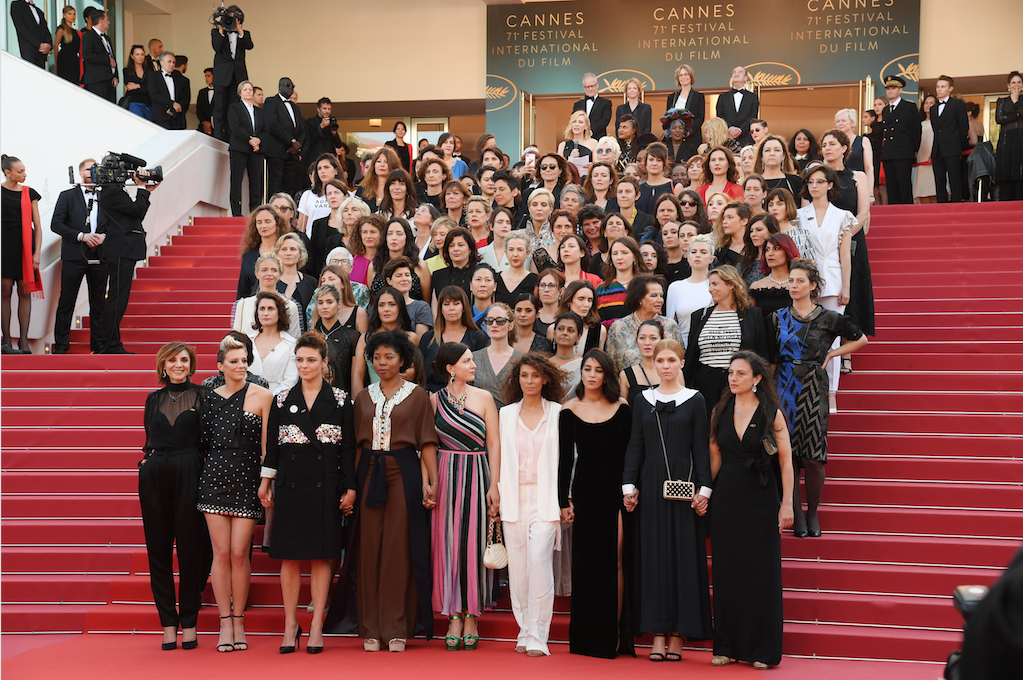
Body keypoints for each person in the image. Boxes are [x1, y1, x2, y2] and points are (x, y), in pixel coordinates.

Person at [258, 330, 356, 654]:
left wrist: (350, 486)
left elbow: (348, 449)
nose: (304, 365)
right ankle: (290, 624)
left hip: (326, 486)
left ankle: (316, 625)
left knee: (322, 556)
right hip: (291, 487)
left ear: (325, 362)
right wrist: (265, 482)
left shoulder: (341, 400)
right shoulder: (282, 399)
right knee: (289, 557)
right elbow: (272, 448)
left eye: (311, 360)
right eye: (299, 359)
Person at [623, 338, 713, 662]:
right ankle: (657, 633)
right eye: (660, 360)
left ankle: (678, 634)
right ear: (653, 363)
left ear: (682, 363)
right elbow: (635, 445)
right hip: (649, 485)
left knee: (683, 558)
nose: (665, 366)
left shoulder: (696, 399)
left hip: (684, 485)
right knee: (652, 557)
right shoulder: (641, 399)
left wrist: (704, 489)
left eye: (671, 360)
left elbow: (700, 447)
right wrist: (628, 486)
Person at [352, 330, 440, 652]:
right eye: (377, 358)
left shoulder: (418, 396)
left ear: (403, 360)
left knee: (398, 548)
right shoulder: (363, 397)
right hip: (368, 473)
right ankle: (371, 627)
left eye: (389, 357)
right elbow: (356, 446)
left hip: (404, 472)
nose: (383, 363)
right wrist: (351, 486)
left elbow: (427, 442)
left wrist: (432, 482)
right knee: (368, 548)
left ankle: (396, 626)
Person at [708, 351, 793, 669]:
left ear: (757, 378)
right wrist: (704, 493)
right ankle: (725, 646)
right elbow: (714, 458)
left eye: (740, 373)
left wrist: (787, 503)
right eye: (731, 372)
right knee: (727, 571)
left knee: (761, 573)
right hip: (726, 498)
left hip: (761, 496)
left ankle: (762, 650)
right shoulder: (719, 410)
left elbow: (786, 460)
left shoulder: (771, 412)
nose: (733, 378)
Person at [771, 259, 866, 537]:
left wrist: (832, 354)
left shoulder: (829, 317)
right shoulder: (777, 318)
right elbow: (772, 358)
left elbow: (861, 339)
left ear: (813, 285)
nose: (793, 285)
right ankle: (797, 514)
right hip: (784, 386)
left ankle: (812, 512)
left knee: (813, 457)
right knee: (789, 453)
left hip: (814, 385)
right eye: (791, 280)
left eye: (800, 281)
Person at [557, 349, 634, 658]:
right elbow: (564, 460)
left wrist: (631, 489)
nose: (591, 374)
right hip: (585, 493)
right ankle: (586, 639)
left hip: (616, 494)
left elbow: (630, 454)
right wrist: (563, 500)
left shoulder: (622, 407)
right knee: (585, 565)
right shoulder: (569, 409)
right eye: (587, 369)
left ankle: (613, 635)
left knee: (614, 560)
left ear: (606, 375)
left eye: (598, 370)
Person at [199, 334, 272, 652]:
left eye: (244, 360)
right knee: (221, 553)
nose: (241, 366)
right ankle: (224, 622)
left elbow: (268, 447)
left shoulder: (263, 395)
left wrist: (265, 482)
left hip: (248, 479)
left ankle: (239, 620)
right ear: (220, 366)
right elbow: (203, 441)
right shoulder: (208, 397)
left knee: (240, 553)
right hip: (214, 478)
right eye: (234, 361)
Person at [429, 342, 502, 651]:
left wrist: (495, 484)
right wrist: (431, 482)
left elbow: (494, 443)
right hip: (446, 474)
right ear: (450, 368)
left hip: (478, 472)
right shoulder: (434, 400)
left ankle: (472, 614)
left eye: (472, 360)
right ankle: (453, 615)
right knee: (447, 543)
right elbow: (428, 444)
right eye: (467, 361)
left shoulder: (484, 397)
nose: (473, 365)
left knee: (473, 544)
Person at [139, 342, 212, 651]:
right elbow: (150, 437)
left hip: (190, 469)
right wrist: (147, 462)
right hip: (155, 473)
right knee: (158, 550)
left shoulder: (203, 395)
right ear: (163, 365)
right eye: (172, 360)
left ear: (191, 365)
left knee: (190, 549)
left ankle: (190, 622)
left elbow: (208, 438)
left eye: (184, 359)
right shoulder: (152, 399)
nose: (178, 364)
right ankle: (168, 623)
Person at [498, 353, 566, 656]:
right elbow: (498, 455)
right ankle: (524, 630)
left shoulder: (558, 412)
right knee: (519, 570)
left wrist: (566, 498)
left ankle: (539, 635)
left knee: (539, 562)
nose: (529, 381)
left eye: (535, 376)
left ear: (545, 379)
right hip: (513, 497)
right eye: (524, 375)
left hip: (545, 497)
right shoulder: (506, 414)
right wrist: (495, 491)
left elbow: (567, 459)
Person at [684, 265, 768, 419]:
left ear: (731, 285)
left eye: (715, 284)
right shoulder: (699, 316)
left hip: (739, 384)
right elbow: (691, 355)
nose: (710, 289)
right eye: (710, 285)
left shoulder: (753, 314)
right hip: (705, 383)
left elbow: (763, 354)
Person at [819, 130, 875, 358]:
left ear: (844, 148)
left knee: (851, 290)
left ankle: (847, 351)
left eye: (832, 144)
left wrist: (844, 236)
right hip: (823, 243)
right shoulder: (817, 176)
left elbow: (862, 212)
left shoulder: (858, 176)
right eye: (824, 145)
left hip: (852, 239)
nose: (827, 148)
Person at [95, 166, 156, 354]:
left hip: (122, 250)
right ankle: (109, 344)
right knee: (117, 298)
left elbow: (132, 214)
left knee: (119, 297)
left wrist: (145, 190)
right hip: (120, 250)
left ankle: (111, 343)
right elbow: (137, 210)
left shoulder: (112, 191)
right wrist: (142, 188)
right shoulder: (112, 192)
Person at [49, 159, 107, 355]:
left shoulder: (106, 195)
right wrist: (81, 236)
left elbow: (115, 224)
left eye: (96, 168)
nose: (93, 172)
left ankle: (98, 345)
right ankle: (61, 345)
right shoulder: (67, 196)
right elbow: (56, 224)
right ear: (81, 173)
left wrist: (104, 237)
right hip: (74, 256)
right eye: (89, 169)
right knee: (67, 301)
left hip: (100, 256)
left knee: (99, 303)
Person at [605, 274, 684, 374]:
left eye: (661, 296)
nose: (660, 300)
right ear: (639, 298)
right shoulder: (618, 327)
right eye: (654, 295)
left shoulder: (670, 325)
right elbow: (612, 367)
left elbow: (680, 360)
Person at [351, 287, 420, 395]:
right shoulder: (365, 339)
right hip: (373, 398)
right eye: (381, 305)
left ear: (400, 307)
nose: (386, 309)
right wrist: (359, 402)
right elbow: (358, 376)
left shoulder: (411, 338)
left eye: (392, 304)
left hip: (405, 398)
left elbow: (419, 373)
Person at [421, 286, 490, 392]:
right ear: (441, 309)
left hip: (469, 396)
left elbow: (483, 375)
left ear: (464, 307)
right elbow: (421, 374)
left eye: (456, 303)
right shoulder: (427, 338)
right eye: (446, 304)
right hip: (433, 396)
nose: (451, 308)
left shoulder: (479, 338)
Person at [210, 5, 252, 141]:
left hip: (238, 77)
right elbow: (217, 47)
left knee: (234, 109)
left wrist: (239, 29)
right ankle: (218, 138)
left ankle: (231, 139)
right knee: (219, 108)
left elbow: (249, 45)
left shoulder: (244, 33)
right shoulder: (216, 32)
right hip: (222, 77)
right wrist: (221, 29)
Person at [879, 75, 922, 204]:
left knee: (904, 187)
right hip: (888, 154)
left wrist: (913, 151)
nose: (890, 91)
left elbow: (916, 131)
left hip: (903, 153)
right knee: (891, 189)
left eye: (893, 88)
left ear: (900, 90)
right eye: (888, 89)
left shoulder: (909, 107)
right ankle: (894, 213)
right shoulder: (885, 110)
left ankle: (907, 212)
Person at [310, 283, 361, 393]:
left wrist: (353, 400)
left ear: (339, 304)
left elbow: (356, 376)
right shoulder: (310, 338)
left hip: (343, 395)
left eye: (329, 302)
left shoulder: (353, 336)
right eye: (320, 302)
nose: (325, 306)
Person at [225, 81, 265, 216]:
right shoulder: (234, 107)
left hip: (256, 150)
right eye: (245, 89)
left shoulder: (259, 111)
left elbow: (266, 130)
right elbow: (235, 126)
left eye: (250, 89)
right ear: (240, 92)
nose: (248, 91)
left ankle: (255, 212)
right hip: (239, 148)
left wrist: (258, 140)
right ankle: (236, 212)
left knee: (256, 181)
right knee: (236, 180)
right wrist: (250, 140)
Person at [665, 233, 714, 345]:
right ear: (687, 256)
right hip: (684, 348)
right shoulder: (675, 287)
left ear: (711, 259)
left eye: (703, 252)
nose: (698, 255)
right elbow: (670, 326)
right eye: (693, 252)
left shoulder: (717, 286)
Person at [472, 303, 522, 409]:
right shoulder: (473, 358)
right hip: (480, 417)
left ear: (511, 325)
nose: (494, 325)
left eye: (500, 321)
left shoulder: (521, 360)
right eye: (489, 320)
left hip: (511, 417)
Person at [367, 217, 430, 301]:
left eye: (399, 234)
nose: (394, 238)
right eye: (390, 233)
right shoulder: (374, 265)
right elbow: (374, 300)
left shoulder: (420, 265)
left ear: (407, 237)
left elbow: (426, 301)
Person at [249, 291, 299, 394]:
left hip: (278, 399)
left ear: (279, 313)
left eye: (270, 308)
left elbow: (290, 381)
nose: (266, 313)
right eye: (262, 309)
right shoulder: (247, 342)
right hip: (247, 398)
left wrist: (271, 399)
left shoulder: (292, 344)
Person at [930, 76, 970, 203]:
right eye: (938, 87)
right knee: (939, 182)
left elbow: (964, 127)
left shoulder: (957, 104)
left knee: (955, 180)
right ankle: (941, 207)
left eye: (943, 87)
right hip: (937, 149)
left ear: (950, 88)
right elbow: (935, 129)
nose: (939, 89)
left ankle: (956, 206)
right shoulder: (933, 108)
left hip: (952, 148)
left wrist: (958, 146)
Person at [264, 78, 306, 197]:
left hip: (292, 153)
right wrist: (291, 141)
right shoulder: (271, 102)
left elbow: (301, 129)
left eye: (292, 86)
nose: (290, 88)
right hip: (277, 151)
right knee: (276, 186)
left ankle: (287, 208)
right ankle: (274, 208)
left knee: (290, 186)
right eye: (287, 85)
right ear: (280, 87)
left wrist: (297, 145)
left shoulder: (295, 107)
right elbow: (272, 124)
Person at [236, 205, 289, 299]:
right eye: (259, 222)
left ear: (277, 224)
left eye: (268, 221)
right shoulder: (249, 255)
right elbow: (243, 290)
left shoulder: (287, 252)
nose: (263, 226)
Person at [595, 236, 646, 326]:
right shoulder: (601, 289)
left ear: (634, 257)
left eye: (624, 253)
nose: (619, 257)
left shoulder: (646, 286)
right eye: (615, 253)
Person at [548, 280, 607, 354]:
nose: (586, 304)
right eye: (581, 299)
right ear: (569, 301)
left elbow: (599, 359)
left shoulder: (599, 331)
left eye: (589, 300)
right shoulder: (552, 329)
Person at [749, 233, 799, 320]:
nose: (770, 253)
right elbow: (751, 322)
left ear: (787, 252)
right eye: (767, 249)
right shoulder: (756, 287)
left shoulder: (800, 284)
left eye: (776, 249)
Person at [617, 318, 665, 403]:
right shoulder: (625, 375)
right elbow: (622, 408)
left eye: (653, 338)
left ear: (662, 341)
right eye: (642, 338)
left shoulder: (675, 372)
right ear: (636, 342)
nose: (647, 343)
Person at [307, 180, 350, 274]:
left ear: (346, 196)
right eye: (329, 194)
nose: (332, 196)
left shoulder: (351, 224)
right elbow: (314, 255)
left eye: (336, 192)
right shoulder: (318, 224)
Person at [274, 232, 316, 325]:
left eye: (293, 249)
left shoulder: (311, 282)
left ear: (300, 254)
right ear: (277, 254)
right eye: (284, 249)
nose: (288, 253)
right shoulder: (270, 280)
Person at [383, 257, 432, 337]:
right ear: (389, 281)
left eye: (407, 275)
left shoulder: (421, 307)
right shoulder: (382, 306)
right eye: (399, 276)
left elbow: (420, 340)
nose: (404, 279)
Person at [431, 228, 479, 307]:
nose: (456, 249)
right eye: (451, 245)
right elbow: (435, 308)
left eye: (461, 245)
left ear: (470, 249)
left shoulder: (479, 274)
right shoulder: (438, 276)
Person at [297, 154, 343, 235]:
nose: (322, 171)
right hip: (312, 240)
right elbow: (301, 227)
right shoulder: (307, 195)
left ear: (336, 170)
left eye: (326, 167)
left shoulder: (347, 195)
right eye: (319, 168)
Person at [716, 66, 760, 148]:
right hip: (726, 139)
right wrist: (729, 128)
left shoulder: (753, 97)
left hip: (746, 139)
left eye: (740, 72)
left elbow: (753, 117)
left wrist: (740, 130)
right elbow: (719, 116)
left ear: (746, 78)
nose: (736, 74)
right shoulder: (723, 97)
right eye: (734, 72)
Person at [996, 72, 1023, 200]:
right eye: (1013, 82)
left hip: (1021, 139)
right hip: (1006, 140)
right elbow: (1000, 118)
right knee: (1006, 171)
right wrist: (1016, 115)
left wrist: (1016, 101)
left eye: (1019, 82)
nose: (1016, 85)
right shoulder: (1002, 101)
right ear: (1008, 85)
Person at [766, 188, 813, 260]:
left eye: (780, 204)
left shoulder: (804, 234)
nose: (774, 208)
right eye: (771, 205)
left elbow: (811, 263)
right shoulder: (765, 234)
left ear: (789, 205)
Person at [835, 108, 875, 191]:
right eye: (838, 121)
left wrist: (870, 191)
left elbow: (869, 168)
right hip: (839, 185)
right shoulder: (834, 143)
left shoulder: (863, 140)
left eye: (843, 121)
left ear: (852, 123)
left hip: (859, 185)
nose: (840, 123)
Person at [81, 10, 116, 102]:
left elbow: (112, 56)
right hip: (96, 81)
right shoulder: (88, 35)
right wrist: (107, 60)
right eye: (107, 19)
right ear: (101, 21)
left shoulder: (106, 38)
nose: (109, 22)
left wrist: (115, 75)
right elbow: (87, 55)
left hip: (109, 80)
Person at [666, 64, 705, 137]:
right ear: (678, 78)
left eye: (686, 74)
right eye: (680, 75)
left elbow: (700, 118)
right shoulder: (671, 97)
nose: (683, 77)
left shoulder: (699, 97)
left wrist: (689, 132)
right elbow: (668, 117)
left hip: (692, 137)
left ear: (691, 76)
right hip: (674, 138)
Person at [637, 142, 676, 214]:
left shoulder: (674, 187)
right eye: (651, 159)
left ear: (664, 164)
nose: (654, 164)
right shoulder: (639, 189)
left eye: (659, 160)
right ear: (646, 163)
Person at [530, 207, 572, 274]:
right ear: (552, 230)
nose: (563, 231)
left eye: (567, 226)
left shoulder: (580, 253)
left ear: (574, 229)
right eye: (559, 227)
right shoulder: (540, 255)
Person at [11, 0, 51, 68]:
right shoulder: (16, 5)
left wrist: (48, 44)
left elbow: (46, 30)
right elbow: (21, 28)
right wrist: (39, 44)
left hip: (41, 53)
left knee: (40, 74)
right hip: (29, 51)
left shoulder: (39, 11)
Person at [304, 98, 343, 166]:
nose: (327, 111)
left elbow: (339, 144)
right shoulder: (310, 122)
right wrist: (320, 127)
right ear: (318, 109)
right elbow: (309, 140)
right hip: (314, 160)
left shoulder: (331, 123)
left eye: (329, 109)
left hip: (329, 160)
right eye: (324, 108)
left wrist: (334, 133)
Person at [742, 213, 779, 285]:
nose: (753, 234)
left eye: (759, 230)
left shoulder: (781, 259)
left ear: (771, 232)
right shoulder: (745, 261)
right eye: (751, 231)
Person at [714, 202, 752, 271]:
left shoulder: (757, 248)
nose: (724, 222)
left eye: (730, 217)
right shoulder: (720, 252)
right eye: (724, 218)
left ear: (744, 221)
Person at [574, 72, 613, 139]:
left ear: (597, 85)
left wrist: (590, 132)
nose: (590, 89)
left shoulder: (606, 103)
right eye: (587, 87)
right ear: (584, 87)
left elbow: (605, 120)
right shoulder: (577, 105)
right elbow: (574, 120)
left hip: (598, 139)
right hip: (581, 139)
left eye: (592, 86)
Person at [348, 214, 383, 286]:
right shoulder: (353, 261)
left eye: (373, 232)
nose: (368, 236)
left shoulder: (386, 260)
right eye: (364, 232)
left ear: (381, 234)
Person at [122, 45, 152, 119]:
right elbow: (130, 88)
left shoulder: (150, 72)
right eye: (137, 54)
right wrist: (145, 88)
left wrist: (137, 86)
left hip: (148, 104)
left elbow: (152, 88)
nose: (140, 57)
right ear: (132, 56)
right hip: (134, 102)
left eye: (142, 54)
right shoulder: (126, 71)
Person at [53, 5, 80, 84]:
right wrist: (56, 63)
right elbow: (55, 46)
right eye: (69, 14)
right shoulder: (61, 29)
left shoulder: (75, 32)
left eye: (74, 14)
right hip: (64, 60)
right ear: (64, 15)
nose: (72, 16)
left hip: (74, 60)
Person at [478, 205, 510, 271]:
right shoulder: (480, 253)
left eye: (508, 222)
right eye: (500, 222)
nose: (505, 226)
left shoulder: (518, 253)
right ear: (491, 226)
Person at [535, 268, 564, 337]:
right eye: (542, 285)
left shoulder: (568, 317)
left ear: (561, 291)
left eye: (552, 285)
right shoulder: (532, 316)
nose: (546, 290)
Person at [196, 68, 215, 134]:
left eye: (208, 76)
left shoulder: (221, 92)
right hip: (203, 127)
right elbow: (199, 109)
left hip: (217, 126)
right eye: (205, 76)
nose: (206, 78)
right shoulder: (202, 92)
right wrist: (204, 121)